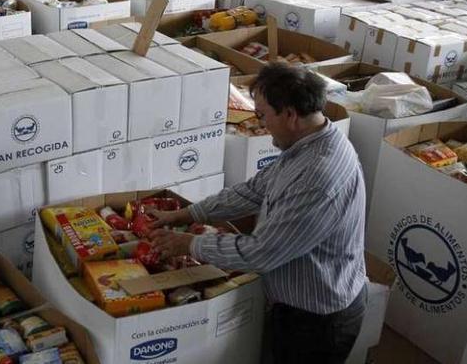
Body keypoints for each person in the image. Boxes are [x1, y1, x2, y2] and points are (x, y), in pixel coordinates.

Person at [149, 63, 367, 364]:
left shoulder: (319, 175)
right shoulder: (306, 144)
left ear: (290, 115)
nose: (260, 124)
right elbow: (253, 190)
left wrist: (189, 244)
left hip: (317, 319)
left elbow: (261, 253)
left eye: (263, 115)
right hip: (298, 303)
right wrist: (186, 214)